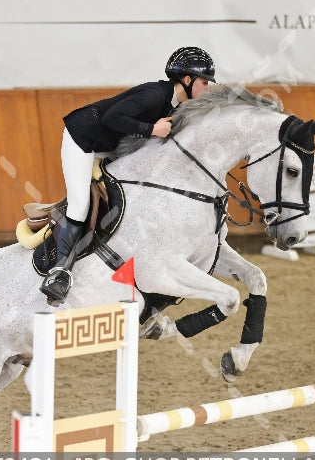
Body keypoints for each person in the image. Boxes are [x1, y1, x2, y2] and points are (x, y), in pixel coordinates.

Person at [40, 46, 217, 302]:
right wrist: (151, 129)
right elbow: (112, 118)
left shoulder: (176, 105)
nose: (207, 89)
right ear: (187, 80)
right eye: (205, 82)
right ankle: (58, 272)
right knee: (80, 205)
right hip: (83, 139)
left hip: (110, 144)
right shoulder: (154, 95)